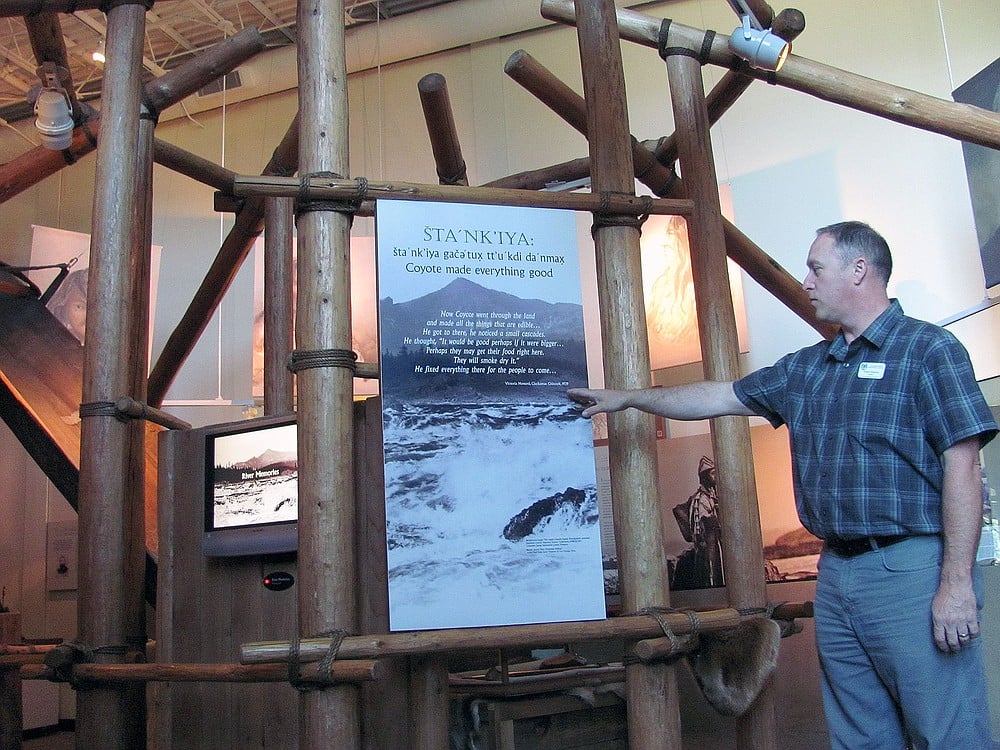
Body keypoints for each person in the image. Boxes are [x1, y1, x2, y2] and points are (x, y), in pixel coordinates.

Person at [569, 221, 997, 750]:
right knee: (861, 735)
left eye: (817, 268)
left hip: (912, 568)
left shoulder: (930, 350)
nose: (807, 281)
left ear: (859, 271)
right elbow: (715, 397)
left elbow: (963, 467)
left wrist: (955, 583)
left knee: (948, 732)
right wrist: (628, 398)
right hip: (837, 572)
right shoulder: (809, 369)